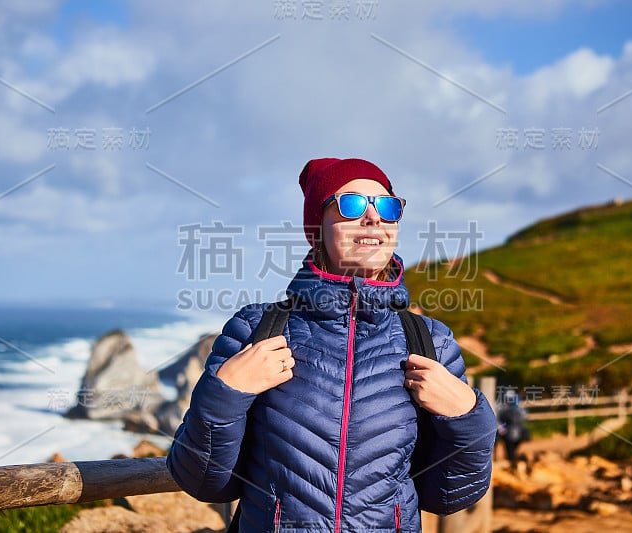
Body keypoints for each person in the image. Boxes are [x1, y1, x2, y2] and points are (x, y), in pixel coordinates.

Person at [167, 158, 497, 532]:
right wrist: (224, 395)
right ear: (316, 230)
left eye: (387, 207)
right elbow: (201, 482)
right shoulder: (256, 329)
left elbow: (447, 497)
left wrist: (471, 421)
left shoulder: (429, 341)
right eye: (352, 204)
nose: (373, 218)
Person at [497, 390, 528, 464]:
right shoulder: (520, 410)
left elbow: (501, 421)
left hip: (509, 434)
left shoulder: (504, 410)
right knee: (512, 450)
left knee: (510, 450)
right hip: (519, 433)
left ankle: (512, 462)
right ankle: (513, 461)